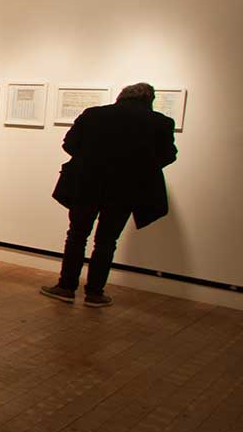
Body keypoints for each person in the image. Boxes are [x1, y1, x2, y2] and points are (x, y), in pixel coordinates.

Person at [40, 83, 176, 308]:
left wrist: (92, 161)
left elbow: (70, 144)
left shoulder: (94, 115)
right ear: (149, 100)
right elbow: (168, 156)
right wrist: (138, 168)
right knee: (106, 241)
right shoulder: (159, 122)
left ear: (121, 97)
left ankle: (66, 287)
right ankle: (94, 293)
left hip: (87, 185)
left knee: (77, 235)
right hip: (126, 190)